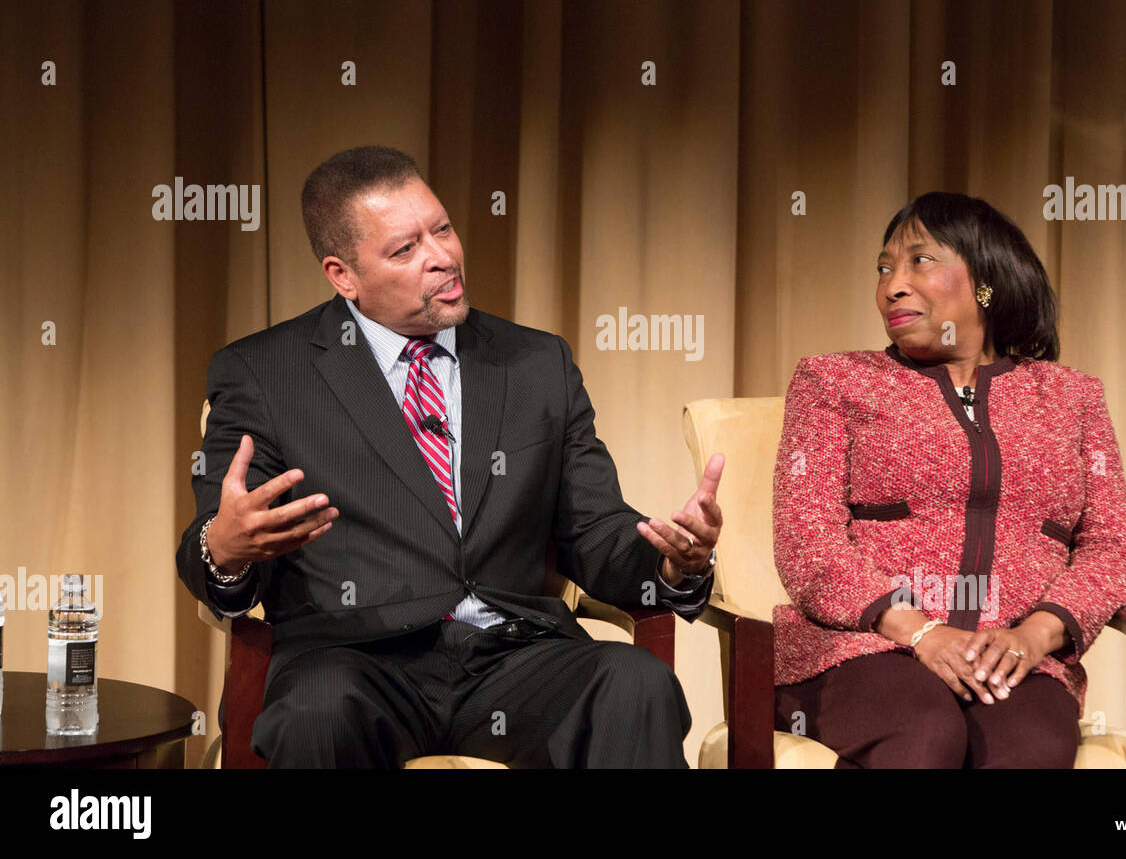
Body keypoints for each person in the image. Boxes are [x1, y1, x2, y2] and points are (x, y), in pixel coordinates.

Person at [176, 145, 725, 768]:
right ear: (342, 275)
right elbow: (214, 544)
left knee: (635, 683)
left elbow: (594, 530)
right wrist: (223, 550)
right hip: (357, 665)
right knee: (316, 709)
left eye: (441, 229)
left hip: (515, 661)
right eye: (405, 249)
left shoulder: (536, 364)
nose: (441, 257)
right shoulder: (265, 372)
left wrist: (675, 561)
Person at [771, 192, 1126, 768]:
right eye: (884, 267)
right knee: (924, 734)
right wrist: (920, 632)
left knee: (1033, 749)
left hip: (1010, 655)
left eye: (920, 260)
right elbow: (807, 540)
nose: (893, 284)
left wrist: (1036, 635)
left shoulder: (1071, 398)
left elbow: (1112, 548)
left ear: (987, 280)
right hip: (860, 648)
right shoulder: (834, 381)